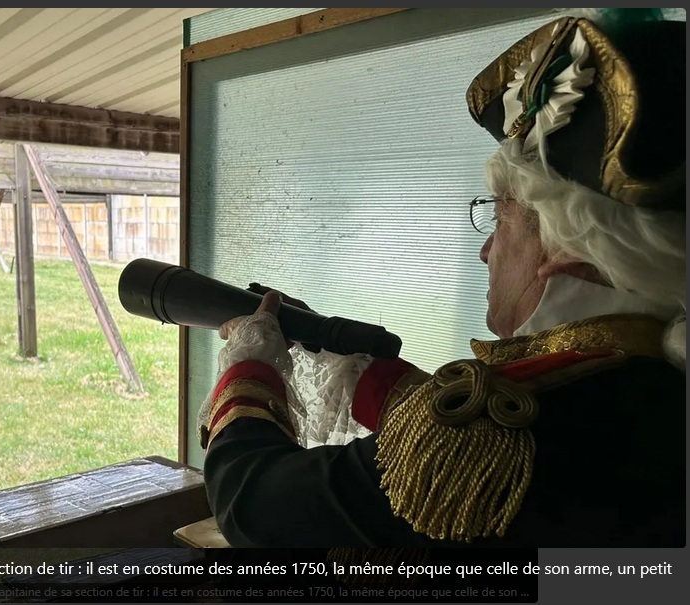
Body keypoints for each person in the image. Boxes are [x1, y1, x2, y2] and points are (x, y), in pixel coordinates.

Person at [198, 11, 686, 548]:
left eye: (500, 217)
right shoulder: (654, 379)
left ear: (560, 244)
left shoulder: (492, 443)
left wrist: (248, 368)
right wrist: (348, 367)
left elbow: (255, 507)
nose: (484, 251)